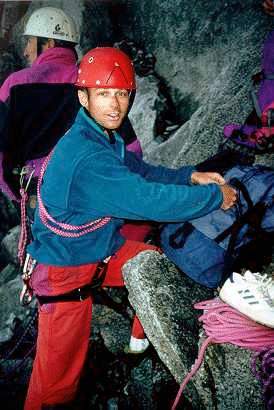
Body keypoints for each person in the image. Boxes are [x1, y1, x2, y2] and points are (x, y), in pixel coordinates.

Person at [23, 47, 237, 409]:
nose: (115, 104)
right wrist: (215, 198)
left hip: (98, 250)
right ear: (82, 96)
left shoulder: (98, 135)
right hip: (65, 273)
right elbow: (149, 201)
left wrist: (190, 176)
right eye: (103, 93)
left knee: (151, 263)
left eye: (122, 93)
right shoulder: (87, 156)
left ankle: (137, 343)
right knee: (55, 387)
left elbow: (140, 172)